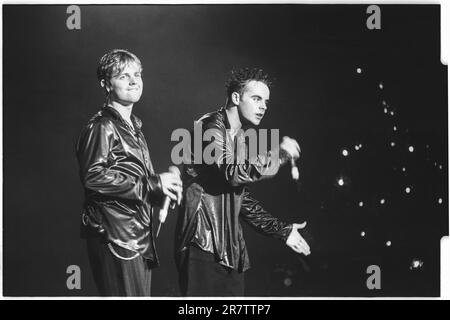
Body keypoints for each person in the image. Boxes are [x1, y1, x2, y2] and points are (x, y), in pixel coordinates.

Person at [175, 68, 311, 296]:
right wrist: (279, 155)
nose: (263, 106)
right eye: (256, 99)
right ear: (236, 98)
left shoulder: (238, 139)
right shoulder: (209, 128)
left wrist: (282, 231)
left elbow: (241, 198)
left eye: (266, 101)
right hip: (202, 243)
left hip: (230, 249)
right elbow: (232, 173)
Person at [76, 49, 182, 296]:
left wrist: (163, 191)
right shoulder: (102, 126)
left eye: (137, 74)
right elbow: (93, 177)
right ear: (106, 84)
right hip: (116, 236)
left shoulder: (134, 127)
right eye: (124, 76)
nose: (134, 81)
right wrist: (153, 184)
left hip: (135, 237)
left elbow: (133, 180)